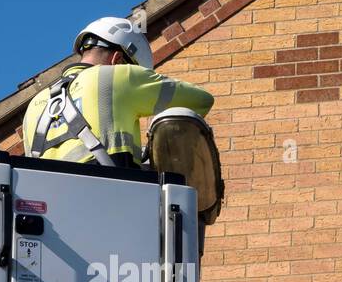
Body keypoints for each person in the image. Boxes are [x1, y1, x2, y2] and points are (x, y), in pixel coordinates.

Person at [22, 16, 214, 168]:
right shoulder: (119, 77)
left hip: (51, 212)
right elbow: (202, 101)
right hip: (112, 200)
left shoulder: (36, 104)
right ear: (119, 60)